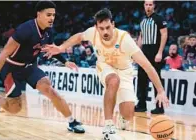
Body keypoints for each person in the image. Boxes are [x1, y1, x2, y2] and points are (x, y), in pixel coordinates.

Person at [42, 8, 169, 139]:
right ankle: (108, 128)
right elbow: (79, 36)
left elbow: (147, 66)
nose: (105, 32)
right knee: (113, 80)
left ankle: (124, 119)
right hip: (105, 66)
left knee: (129, 114)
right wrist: (61, 48)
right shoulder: (93, 33)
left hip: (125, 72)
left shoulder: (125, 39)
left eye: (108, 27)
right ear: (96, 27)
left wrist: (160, 91)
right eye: (101, 28)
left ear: (113, 24)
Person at [0, 1, 85, 133]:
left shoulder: (48, 31)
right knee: (14, 108)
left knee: (50, 89)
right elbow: (4, 53)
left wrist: (65, 61)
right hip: (12, 69)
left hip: (30, 67)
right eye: (48, 15)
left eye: (54, 15)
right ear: (39, 14)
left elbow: (50, 49)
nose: (52, 18)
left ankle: (72, 121)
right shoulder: (25, 29)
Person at [135, 0, 168, 114]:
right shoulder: (143, 20)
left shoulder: (158, 18)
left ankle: (160, 106)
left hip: (154, 50)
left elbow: (164, 34)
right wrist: (136, 51)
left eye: (150, 4)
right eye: (146, 4)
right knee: (141, 78)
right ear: (144, 6)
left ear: (154, 6)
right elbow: (141, 36)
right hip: (144, 51)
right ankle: (141, 104)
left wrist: (160, 52)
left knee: (156, 79)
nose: (148, 7)